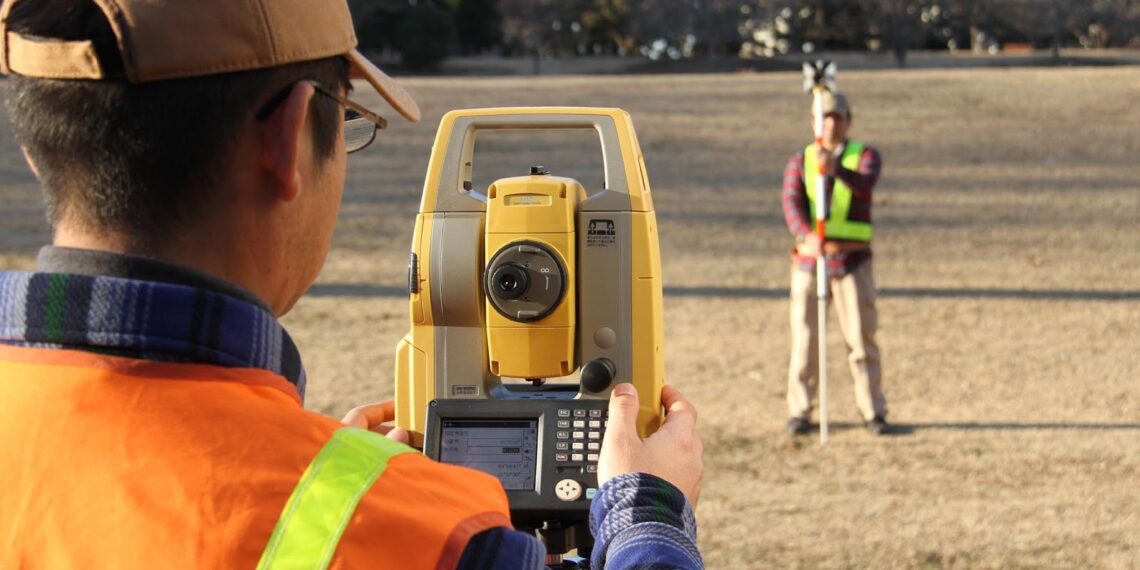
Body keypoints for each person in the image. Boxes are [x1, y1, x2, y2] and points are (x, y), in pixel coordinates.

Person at [0, 0, 704, 568]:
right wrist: (647, 519)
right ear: (291, 136)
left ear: (37, 147)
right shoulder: (428, 542)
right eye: (353, 123)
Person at [781, 90, 889, 436]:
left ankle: (873, 410)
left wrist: (836, 169)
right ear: (814, 122)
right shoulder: (801, 160)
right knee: (805, 341)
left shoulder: (864, 156)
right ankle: (800, 411)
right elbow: (792, 203)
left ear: (848, 120)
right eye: (824, 117)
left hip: (852, 262)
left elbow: (865, 185)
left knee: (861, 339)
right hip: (811, 263)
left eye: (837, 116)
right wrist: (806, 234)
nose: (831, 123)